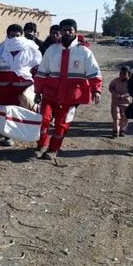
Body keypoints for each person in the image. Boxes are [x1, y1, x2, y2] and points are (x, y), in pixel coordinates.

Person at [34, 18, 103, 160]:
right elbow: (42, 72)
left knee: (62, 124)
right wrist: (37, 91)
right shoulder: (52, 50)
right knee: (44, 119)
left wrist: (96, 90)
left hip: (70, 96)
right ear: (60, 31)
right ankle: (41, 145)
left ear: (75, 32)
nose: (67, 32)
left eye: (70, 30)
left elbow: (94, 71)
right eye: (64, 30)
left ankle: (53, 149)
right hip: (50, 93)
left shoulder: (84, 52)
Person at [0, 24, 42, 146]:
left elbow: (36, 67)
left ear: (22, 35)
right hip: (5, 86)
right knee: (6, 110)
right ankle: (8, 137)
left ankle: (25, 132)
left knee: (22, 110)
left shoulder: (31, 48)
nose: (14, 38)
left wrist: (38, 86)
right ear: (7, 35)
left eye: (17, 35)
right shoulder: (0, 48)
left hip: (23, 85)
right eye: (12, 35)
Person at [108, 66, 132, 138]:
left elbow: (132, 91)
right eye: (121, 73)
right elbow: (110, 88)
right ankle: (116, 131)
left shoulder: (131, 82)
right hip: (116, 102)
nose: (122, 75)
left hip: (126, 103)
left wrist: (125, 96)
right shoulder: (115, 81)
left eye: (124, 74)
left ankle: (122, 130)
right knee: (116, 117)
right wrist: (116, 94)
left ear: (128, 75)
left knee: (124, 117)